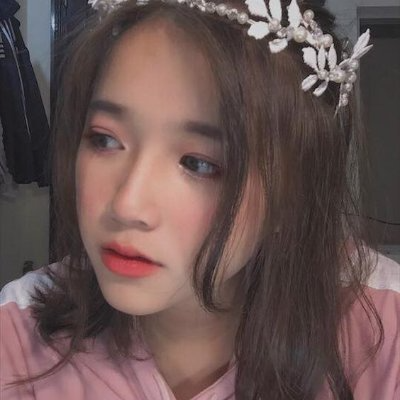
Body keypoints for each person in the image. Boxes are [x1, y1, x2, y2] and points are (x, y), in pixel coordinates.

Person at [1, 0, 399, 399]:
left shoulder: (384, 328)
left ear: (290, 195)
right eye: (104, 140)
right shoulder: (18, 334)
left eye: (199, 164)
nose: (127, 206)